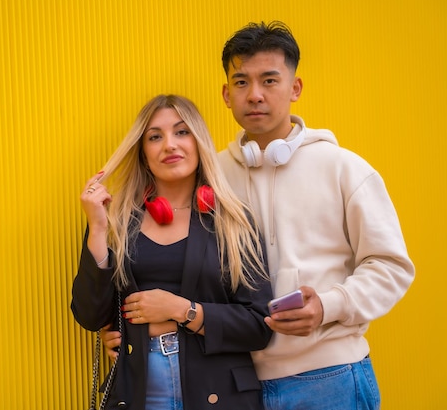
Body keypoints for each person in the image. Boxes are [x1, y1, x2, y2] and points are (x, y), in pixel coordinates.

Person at [103, 22, 415, 410]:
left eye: (269, 81)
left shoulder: (344, 169)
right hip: (235, 384)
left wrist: (329, 306)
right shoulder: (210, 175)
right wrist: (130, 331)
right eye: (241, 83)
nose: (255, 95)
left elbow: (391, 266)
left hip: (329, 379)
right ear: (225, 94)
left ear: (295, 88)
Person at [71, 94, 273, 410]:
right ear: (143, 153)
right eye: (155, 137)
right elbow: (90, 316)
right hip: (140, 389)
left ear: (199, 142)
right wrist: (96, 228)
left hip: (219, 392)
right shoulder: (117, 222)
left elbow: (259, 326)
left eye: (181, 132)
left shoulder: (235, 221)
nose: (169, 145)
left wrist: (182, 309)